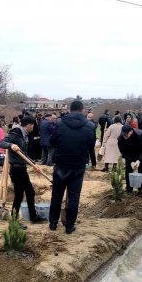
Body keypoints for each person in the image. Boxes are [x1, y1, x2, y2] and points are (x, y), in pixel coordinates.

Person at [48, 100, 96, 234]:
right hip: (78, 166)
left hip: (61, 164)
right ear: (82, 109)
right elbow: (91, 146)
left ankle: (53, 223)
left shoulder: (59, 123)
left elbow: (52, 141)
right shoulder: (90, 126)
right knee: (74, 196)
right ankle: (69, 226)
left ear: (70, 109)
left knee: (57, 195)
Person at [0, 116, 41, 223]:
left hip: (22, 168)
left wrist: (34, 164)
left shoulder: (24, 136)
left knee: (30, 192)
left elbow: (24, 154)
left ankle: (33, 217)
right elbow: (1, 143)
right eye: (33, 126)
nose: (33, 128)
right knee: (19, 195)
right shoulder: (16, 132)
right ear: (29, 125)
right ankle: (14, 221)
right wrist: (11, 145)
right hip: (16, 169)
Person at [118, 125, 142, 195]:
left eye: (126, 135)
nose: (125, 136)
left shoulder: (140, 135)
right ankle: (129, 188)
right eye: (123, 135)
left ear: (131, 132)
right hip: (130, 155)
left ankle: (141, 189)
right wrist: (131, 161)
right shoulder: (120, 138)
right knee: (128, 170)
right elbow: (123, 152)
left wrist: (139, 160)